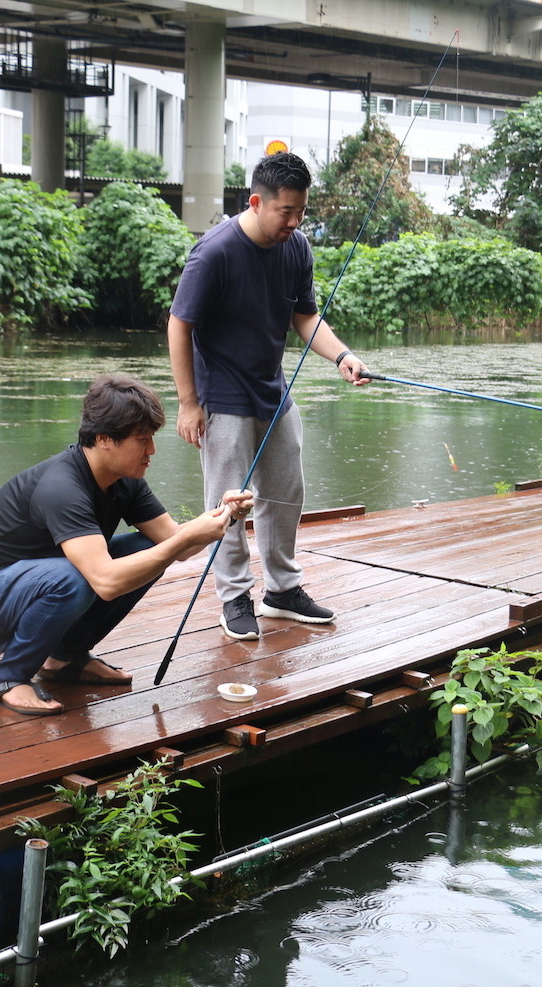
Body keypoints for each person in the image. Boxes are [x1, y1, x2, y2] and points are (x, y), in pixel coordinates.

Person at [0, 374, 252, 716]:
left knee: (145, 550)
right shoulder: (62, 487)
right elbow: (106, 581)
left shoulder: (126, 480)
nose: (151, 450)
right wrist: (185, 536)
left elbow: (176, 546)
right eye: (142, 440)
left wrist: (225, 515)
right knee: (78, 576)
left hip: (33, 590)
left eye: (151, 438)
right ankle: (9, 678)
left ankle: (64, 659)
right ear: (104, 439)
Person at [167, 151, 368, 642]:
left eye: (302, 212)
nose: (296, 222)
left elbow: (304, 317)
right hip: (222, 397)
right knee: (228, 504)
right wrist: (188, 401)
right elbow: (179, 323)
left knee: (286, 492)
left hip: (273, 391)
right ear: (257, 202)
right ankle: (235, 598)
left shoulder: (296, 248)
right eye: (287, 212)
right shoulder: (214, 252)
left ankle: (282, 591)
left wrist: (341, 356)